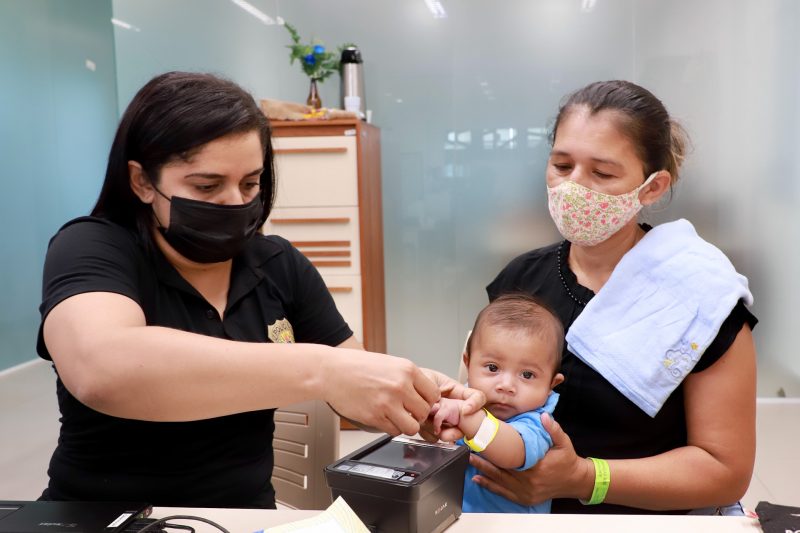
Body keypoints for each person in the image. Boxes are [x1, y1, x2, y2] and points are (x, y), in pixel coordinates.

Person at [36, 71, 482, 508]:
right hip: (101, 514)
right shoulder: (92, 247)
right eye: (207, 186)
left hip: (242, 515)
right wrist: (322, 369)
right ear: (142, 182)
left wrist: (415, 397)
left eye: (250, 183)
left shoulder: (278, 263)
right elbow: (101, 367)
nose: (235, 202)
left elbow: (353, 382)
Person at [469, 80, 758, 514]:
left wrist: (584, 478)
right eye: (561, 165)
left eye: (602, 173)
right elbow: (474, 390)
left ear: (652, 187)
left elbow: (724, 470)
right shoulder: (520, 280)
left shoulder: (701, 297)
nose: (574, 187)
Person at [430, 293, 565, 513]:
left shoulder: (538, 422)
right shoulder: (461, 398)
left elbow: (513, 452)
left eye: (527, 375)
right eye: (493, 368)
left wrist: (464, 416)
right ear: (468, 363)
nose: (506, 385)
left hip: (514, 526)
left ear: (551, 384)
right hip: (457, 517)